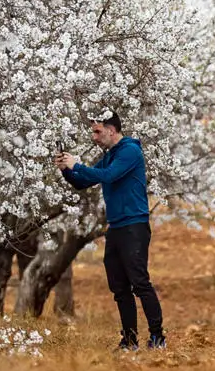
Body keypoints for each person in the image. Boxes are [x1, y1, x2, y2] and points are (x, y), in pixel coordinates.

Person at [58, 110, 164, 351]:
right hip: (116, 227)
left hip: (134, 226)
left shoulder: (129, 151)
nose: (94, 137)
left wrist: (79, 164)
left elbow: (108, 176)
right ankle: (129, 341)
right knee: (119, 288)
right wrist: (66, 169)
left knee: (140, 282)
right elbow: (83, 182)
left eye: (97, 131)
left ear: (111, 130)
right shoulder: (112, 154)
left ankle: (158, 337)